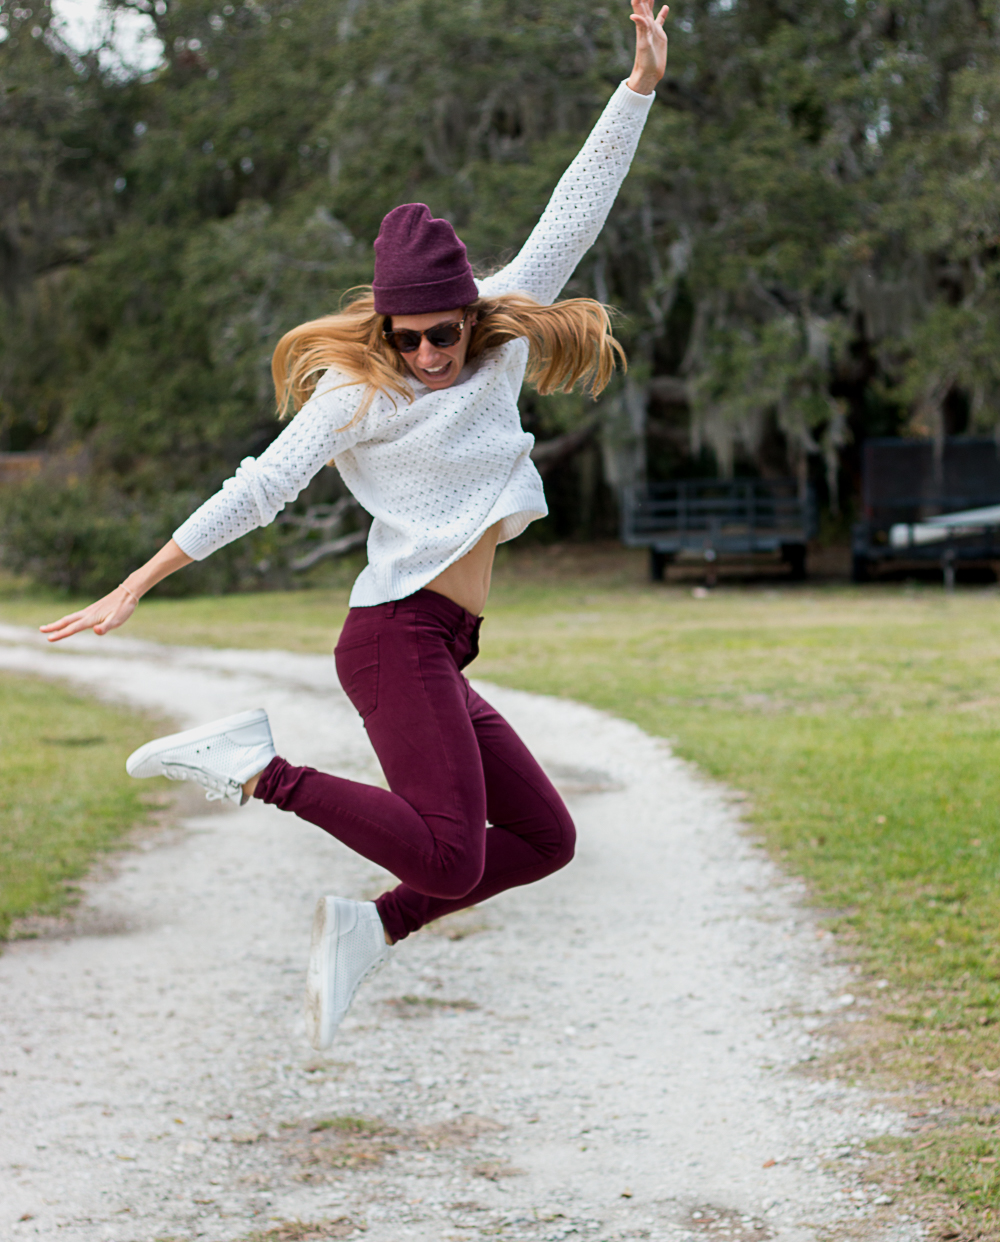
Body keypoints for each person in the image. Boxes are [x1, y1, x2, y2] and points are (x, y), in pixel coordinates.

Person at [40, 1, 669, 1049]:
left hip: (443, 645)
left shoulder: (499, 333)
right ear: (385, 325)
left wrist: (638, 84)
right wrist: (135, 583)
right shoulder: (356, 390)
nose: (430, 353)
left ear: (471, 310)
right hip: (393, 638)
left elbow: (577, 205)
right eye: (410, 335)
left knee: (547, 839)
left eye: (445, 331)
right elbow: (256, 488)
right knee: (450, 855)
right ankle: (258, 768)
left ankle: (368, 932)